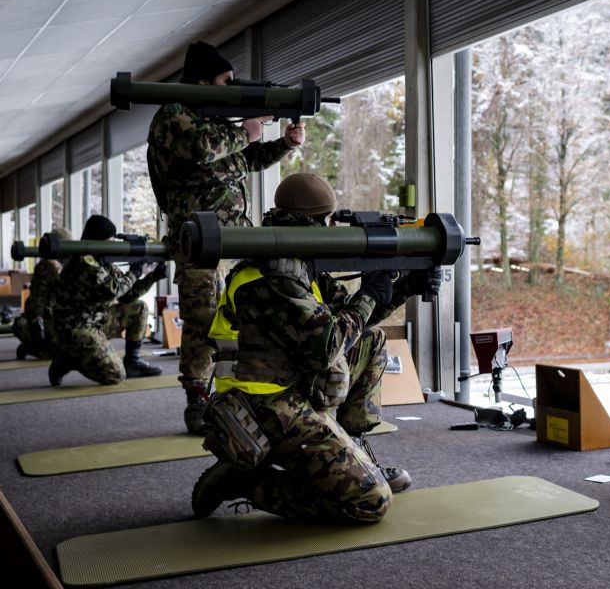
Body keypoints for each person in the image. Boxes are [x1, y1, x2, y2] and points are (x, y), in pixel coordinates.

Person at [191, 173, 440, 523]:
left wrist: (402, 287)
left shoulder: (301, 267)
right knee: (371, 502)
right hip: (262, 403)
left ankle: (351, 449)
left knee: (372, 341)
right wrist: (369, 295)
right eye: (329, 220)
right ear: (314, 222)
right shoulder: (270, 277)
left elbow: (353, 325)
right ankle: (250, 483)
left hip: (293, 385)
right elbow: (326, 347)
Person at [147, 40, 306, 435]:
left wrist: (283, 145)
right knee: (203, 320)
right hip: (198, 240)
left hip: (236, 238)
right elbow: (201, 148)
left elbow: (245, 160)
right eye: (225, 80)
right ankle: (197, 398)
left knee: (246, 314)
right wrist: (247, 131)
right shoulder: (175, 113)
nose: (231, 87)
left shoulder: (215, 123)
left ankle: (244, 393)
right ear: (203, 81)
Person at [48, 215, 165, 386]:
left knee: (138, 308)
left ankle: (132, 361)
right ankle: (68, 359)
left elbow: (126, 295)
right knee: (115, 374)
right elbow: (112, 291)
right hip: (74, 329)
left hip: (94, 320)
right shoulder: (84, 261)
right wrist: (134, 273)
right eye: (108, 241)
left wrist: (153, 277)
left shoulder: (101, 260)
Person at [13, 227, 72, 360]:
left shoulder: (45, 263)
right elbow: (68, 288)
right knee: (62, 353)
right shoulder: (53, 265)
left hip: (40, 316)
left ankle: (33, 346)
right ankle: (32, 348)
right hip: (46, 318)